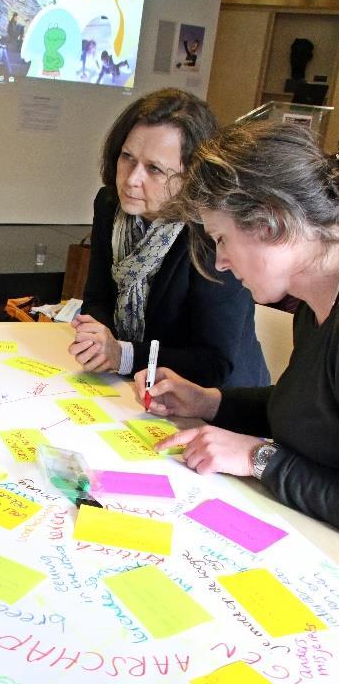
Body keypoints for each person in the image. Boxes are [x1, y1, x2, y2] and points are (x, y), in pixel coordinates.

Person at [135, 121, 339, 528]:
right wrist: (211, 402)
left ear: (272, 223)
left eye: (222, 239)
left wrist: (256, 457)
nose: (222, 261)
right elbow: (307, 414)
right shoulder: (314, 303)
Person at [70, 88, 269, 388]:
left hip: (218, 403)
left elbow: (212, 363)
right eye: (127, 157)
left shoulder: (213, 232)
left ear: (191, 176)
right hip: (131, 384)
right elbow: (98, 297)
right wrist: (94, 337)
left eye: (154, 169)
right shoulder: (110, 204)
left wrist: (121, 354)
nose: (132, 179)